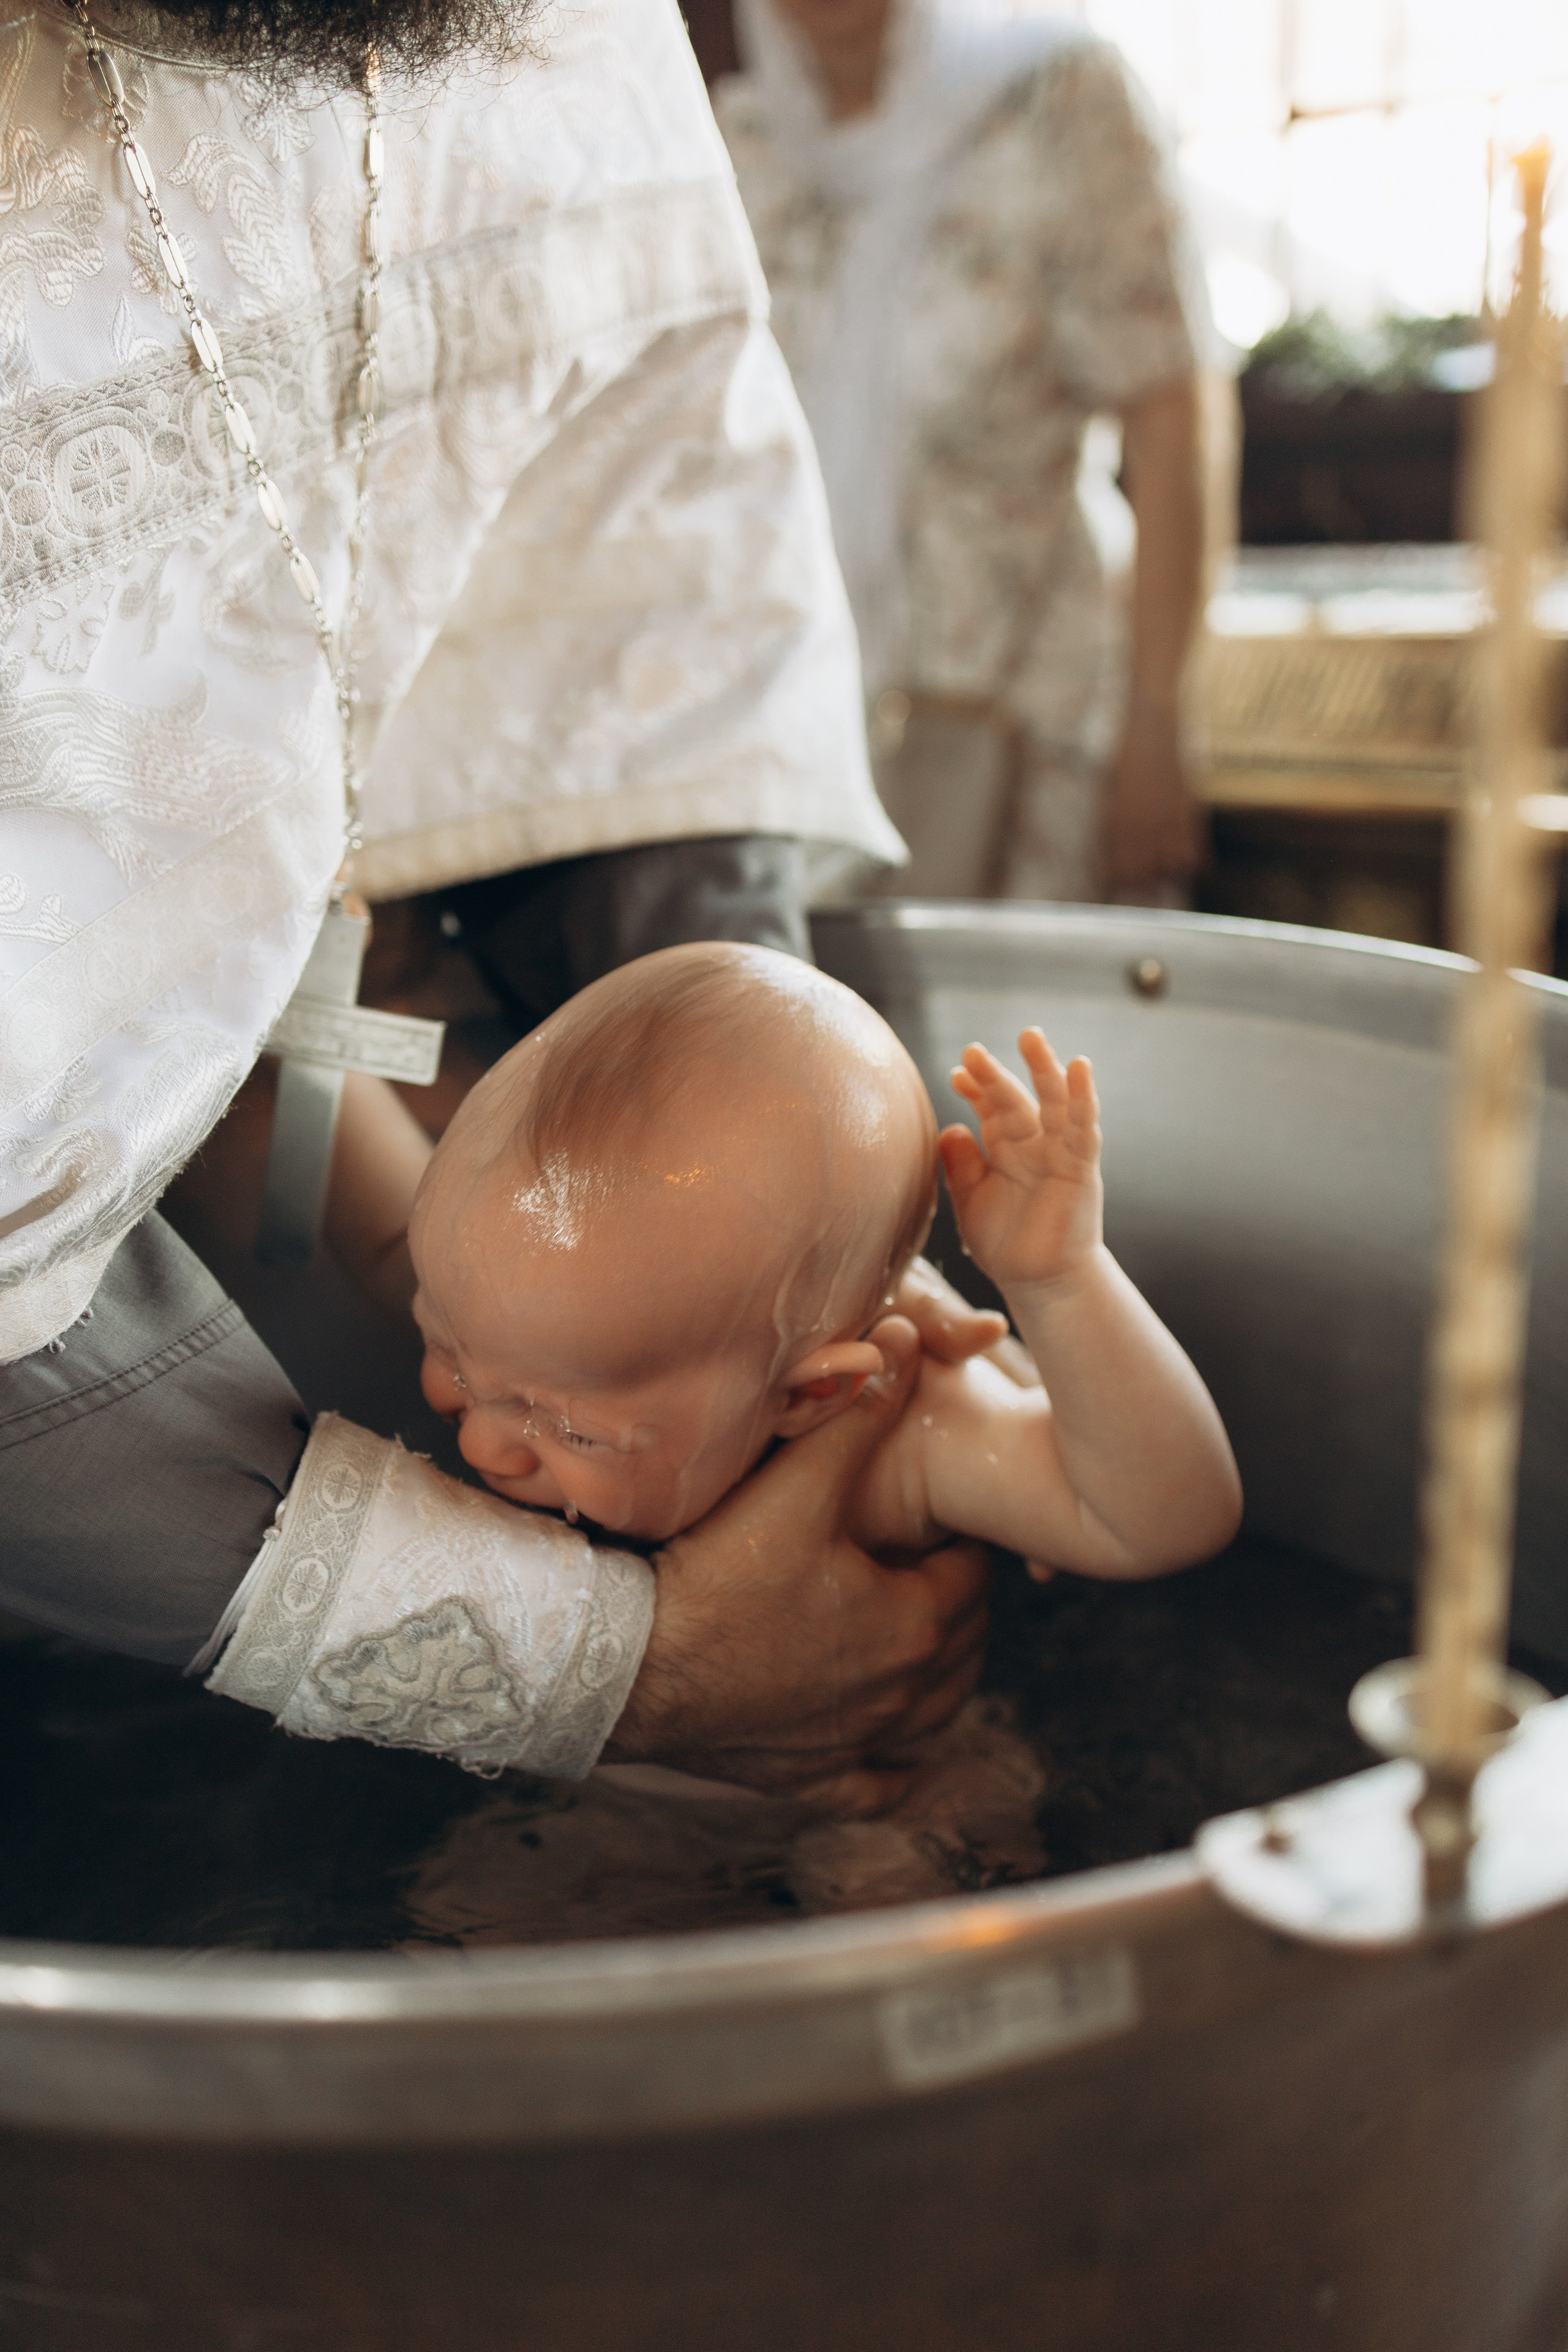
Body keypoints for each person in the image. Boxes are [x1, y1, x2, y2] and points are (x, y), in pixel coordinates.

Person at [0, 0, 998, 1816]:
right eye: (468, 1373)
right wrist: (620, 1666)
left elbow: (645, 595)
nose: (476, 1408)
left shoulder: (553, 34)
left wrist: (792, 1255)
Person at [212, 944, 1239, 1765]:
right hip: (592, 1815)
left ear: (809, 1395)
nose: (482, 1434)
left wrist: (1060, 1280)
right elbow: (381, 1219)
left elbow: (1156, 1519)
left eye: (569, 1426)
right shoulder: (525, 1304)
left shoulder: (902, 1434)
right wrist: (271, 979)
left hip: (866, 1803)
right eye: (451, 1348)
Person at [712, 0, 1212, 904]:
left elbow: (1172, 416)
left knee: (1020, 1035)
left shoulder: (1059, 96)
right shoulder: (739, 143)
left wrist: (1158, 724)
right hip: (806, 721)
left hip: (1028, 713)